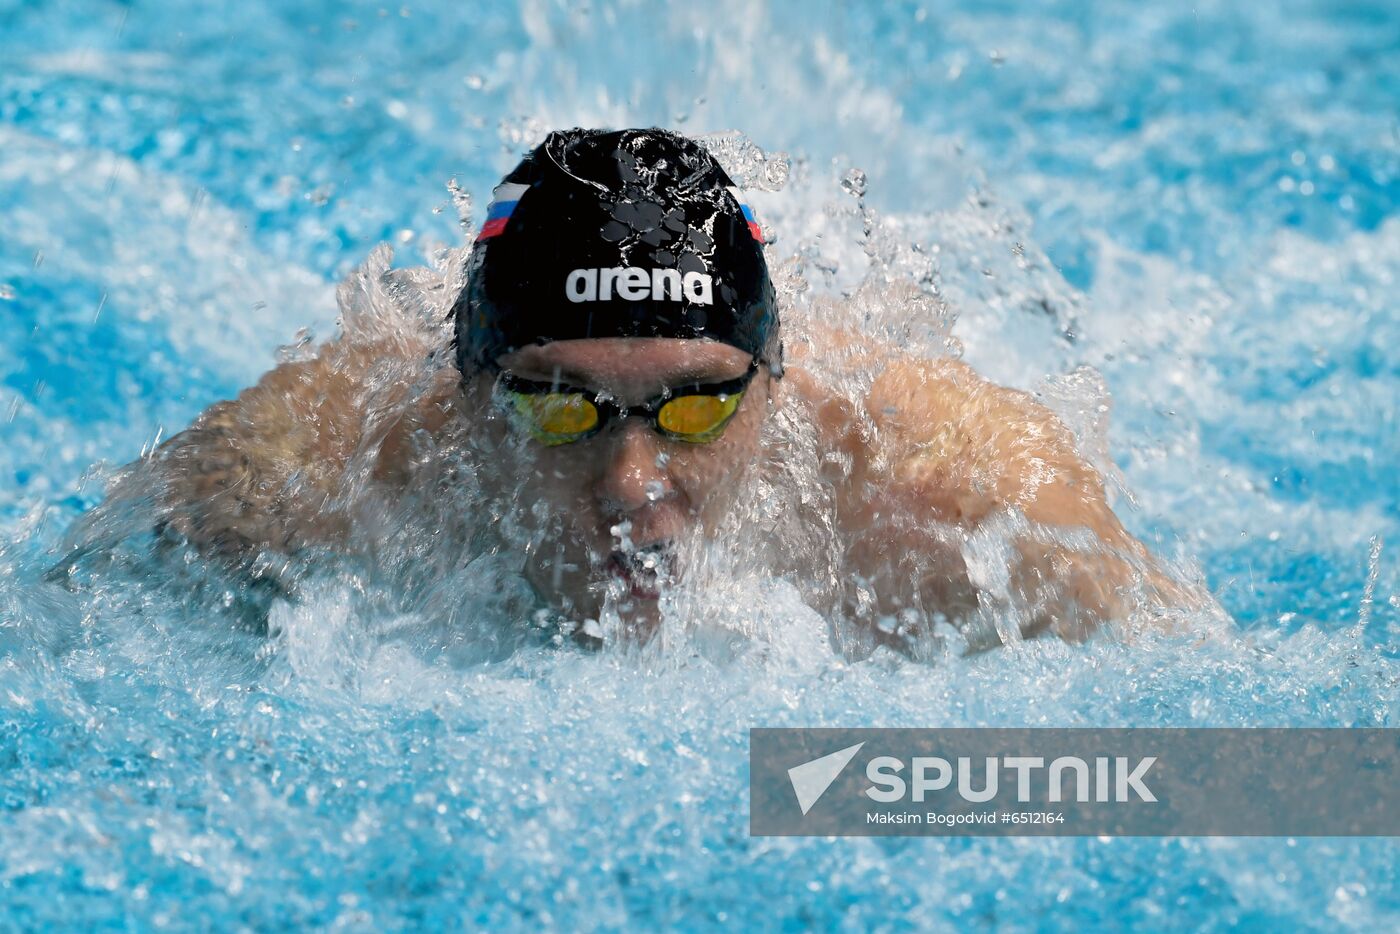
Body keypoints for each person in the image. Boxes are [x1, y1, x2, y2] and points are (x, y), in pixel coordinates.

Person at [70, 128, 1198, 652]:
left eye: (698, 405)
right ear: (464, 398)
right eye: (556, 405)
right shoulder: (293, 485)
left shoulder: (962, 508)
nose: (630, 481)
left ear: (776, 388)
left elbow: (1271, 771)